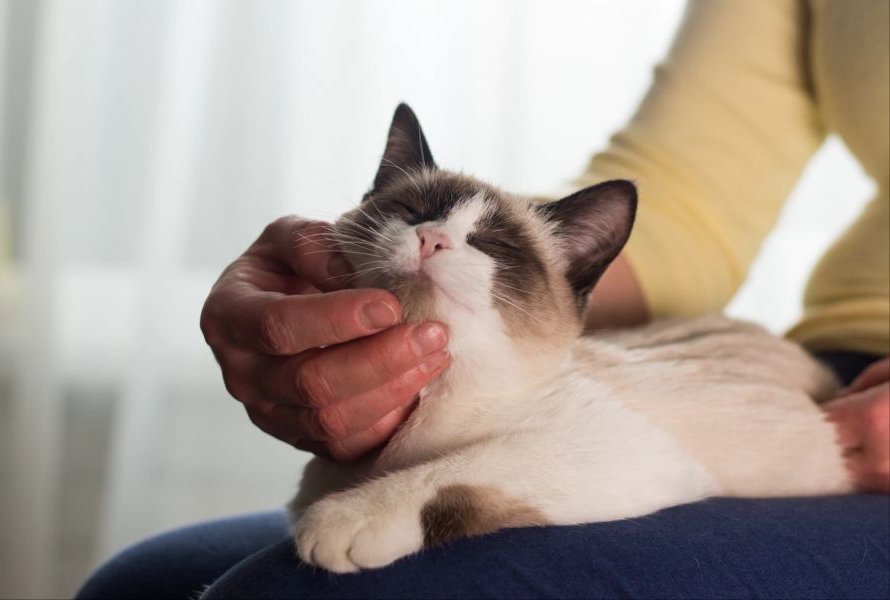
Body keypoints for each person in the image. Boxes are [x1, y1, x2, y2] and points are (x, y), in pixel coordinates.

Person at [77, 1, 889, 598]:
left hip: (840, 441)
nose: (433, 243)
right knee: (141, 583)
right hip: (834, 380)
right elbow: (688, 202)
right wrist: (322, 274)